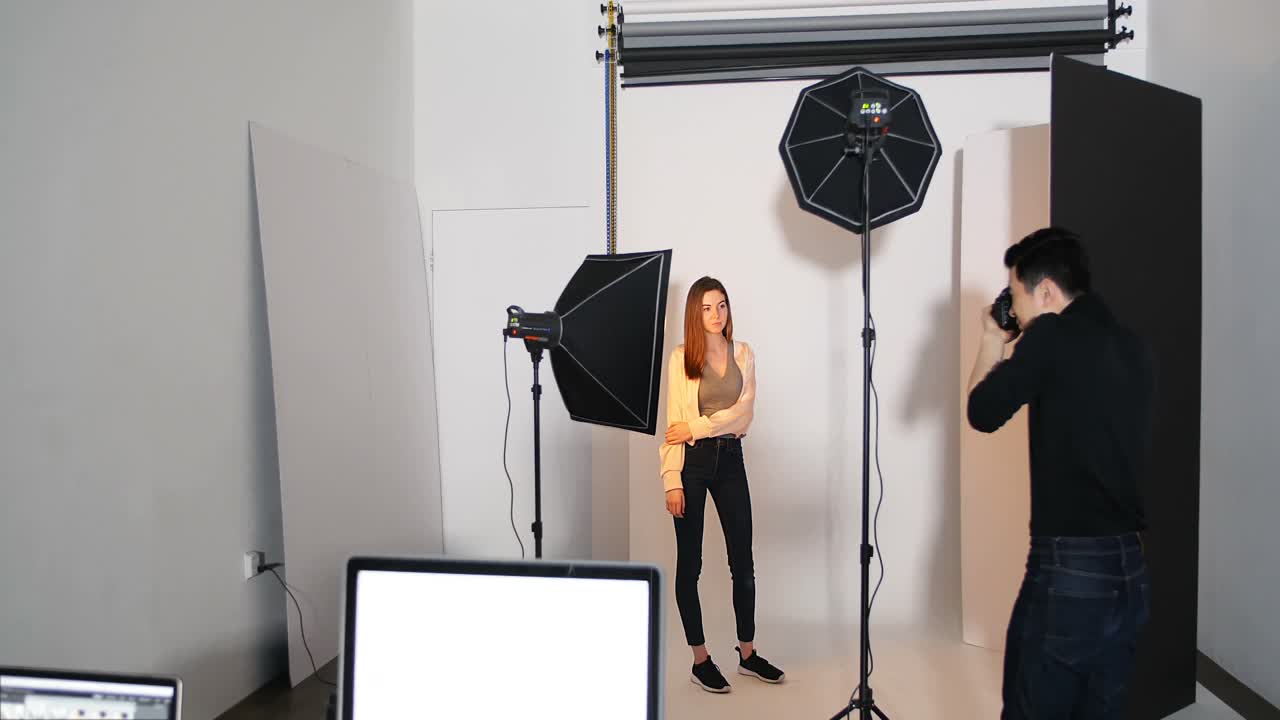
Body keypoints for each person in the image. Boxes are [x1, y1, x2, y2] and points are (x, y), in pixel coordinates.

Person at [967, 227, 1155, 719]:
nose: (1017, 310)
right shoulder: (1131, 344)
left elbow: (983, 411)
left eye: (1017, 294)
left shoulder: (1049, 334)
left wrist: (993, 337)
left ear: (1045, 290)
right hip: (1131, 570)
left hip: (1070, 567)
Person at [659, 276, 785, 694]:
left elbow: (744, 415)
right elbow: (671, 427)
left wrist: (697, 426)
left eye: (722, 306)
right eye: (707, 308)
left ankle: (747, 655)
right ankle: (700, 660)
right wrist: (671, 480)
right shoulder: (681, 359)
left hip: (731, 460)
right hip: (691, 465)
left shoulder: (743, 354)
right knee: (689, 565)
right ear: (695, 314)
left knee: (742, 563)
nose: (716, 315)